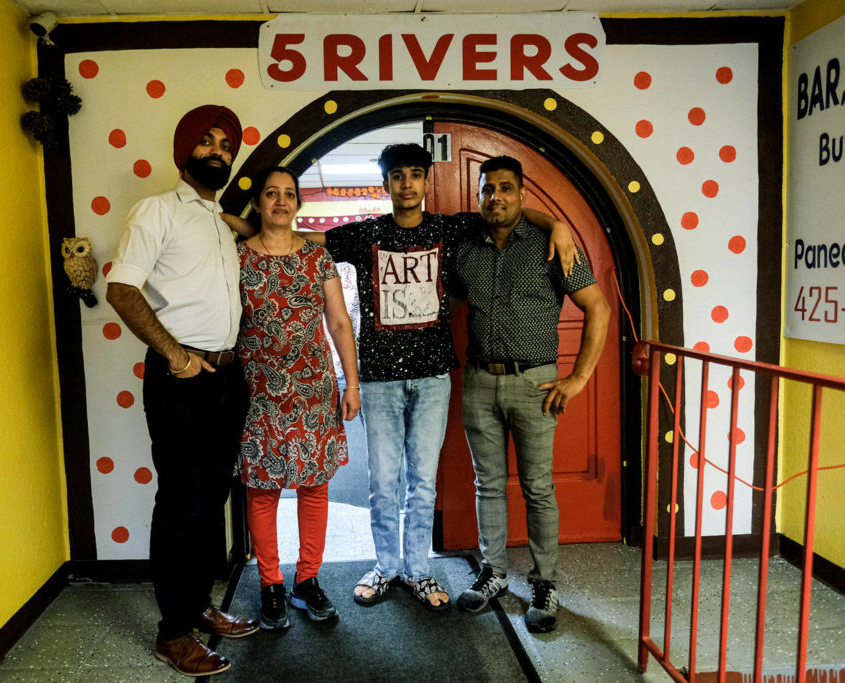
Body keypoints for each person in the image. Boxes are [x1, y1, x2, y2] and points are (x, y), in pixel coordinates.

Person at [295, 143, 577, 611]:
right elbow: (303, 239)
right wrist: (238, 225)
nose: (406, 183)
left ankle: (418, 570)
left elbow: (512, 213)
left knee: (421, 483)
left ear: (427, 182)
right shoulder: (365, 234)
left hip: (432, 378)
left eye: (414, 174)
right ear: (386, 184)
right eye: (396, 176)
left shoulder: (454, 227)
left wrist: (559, 225)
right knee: (383, 483)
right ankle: (386, 567)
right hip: (380, 378)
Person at [105, 104, 260, 678]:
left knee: (210, 499)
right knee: (179, 505)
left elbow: (247, 234)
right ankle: (173, 633)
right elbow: (121, 288)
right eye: (208, 143)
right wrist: (175, 356)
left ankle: (197, 607)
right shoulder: (157, 210)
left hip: (226, 377)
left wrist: (245, 224)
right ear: (185, 149)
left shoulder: (219, 221)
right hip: (182, 377)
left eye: (227, 146)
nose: (218, 152)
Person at [451, 155, 610, 633]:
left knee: (539, 487)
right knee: (488, 484)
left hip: (535, 383)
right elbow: (450, 305)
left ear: (522, 195)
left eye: (505, 188)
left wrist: (577, 378)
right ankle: (494, 573)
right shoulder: (465, 249)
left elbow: (597, 307)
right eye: (487, 189)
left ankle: (544, 583)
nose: (494, 197)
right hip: (478, 380)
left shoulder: (550, 246)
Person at [234, 166, 360, 630]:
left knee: (314, 487)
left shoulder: (317, 258)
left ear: (298, 206)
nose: (281, 202)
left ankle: (307, 581)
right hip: (259, 393)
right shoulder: (238, 259)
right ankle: (270, 585)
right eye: (272, 194)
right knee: (262, 490)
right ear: (259, 204)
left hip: (313, 391)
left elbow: (339, 323)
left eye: (289, 195)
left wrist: (352, 382)